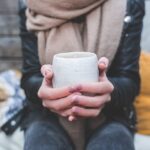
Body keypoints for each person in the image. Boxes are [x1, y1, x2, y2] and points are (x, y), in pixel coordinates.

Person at [19, 0, 145, 149]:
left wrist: (107, 93)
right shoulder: (33, 4)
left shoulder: (128, 3)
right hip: (46, 115)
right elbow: (30, 77)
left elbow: (130, 81)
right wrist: (45, 91)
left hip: (111, 116)